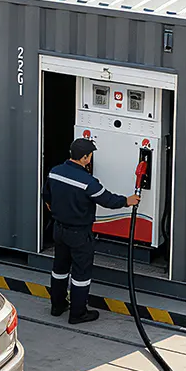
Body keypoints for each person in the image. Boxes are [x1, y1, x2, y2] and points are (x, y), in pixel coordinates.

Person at [41, 137, 140, 325]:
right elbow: (107, 200)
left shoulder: (55, 172)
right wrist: (128, 200)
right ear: (85, 158)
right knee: (81, 274)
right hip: (79, 234)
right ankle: (78, 313)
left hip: (59, 230)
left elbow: (46, 197)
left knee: (59, 269)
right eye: (91, 155)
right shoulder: (88, 182)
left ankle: (57, 306)